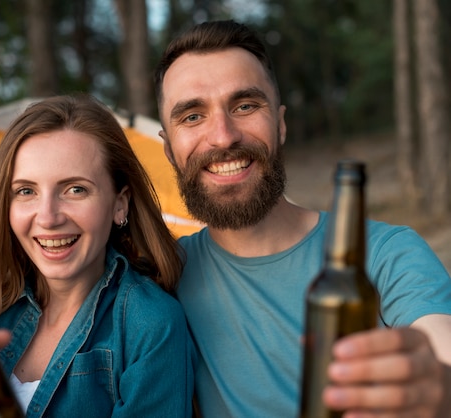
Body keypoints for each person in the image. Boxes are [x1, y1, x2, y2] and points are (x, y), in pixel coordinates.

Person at [154, 19, 451, 417]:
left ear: (279, 123)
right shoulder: (163, 277)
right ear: (169, 149)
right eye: (192, 116)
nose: (223, 137)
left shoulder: (385, 253)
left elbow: (438, 348)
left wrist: (435, 385)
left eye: (245, 106)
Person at [0, 94, 194, 417]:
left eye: (75, 189)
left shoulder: (150, 326)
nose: (48, 217)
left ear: (120, 203)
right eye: (26, 191)